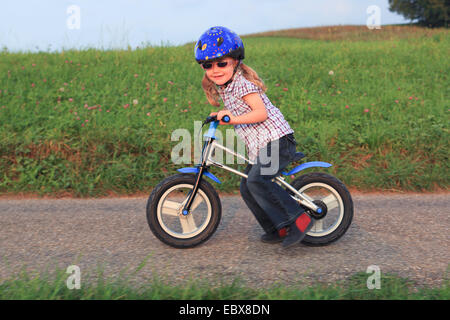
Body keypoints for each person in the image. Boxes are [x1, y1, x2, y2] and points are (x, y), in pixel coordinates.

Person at [194, 26, 314, 248]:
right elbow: (237, 113)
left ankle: (299, 217)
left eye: (222, 63)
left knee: (258, 180)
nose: (215, 69)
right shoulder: (225, 87)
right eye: (208, 65)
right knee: (246, 186)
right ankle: (277, 227)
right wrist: (221, 116)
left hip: (279, 142)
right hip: (262, 146)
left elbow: (261, 113)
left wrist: (231, 118)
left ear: (236, 62)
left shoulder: (242, 84)